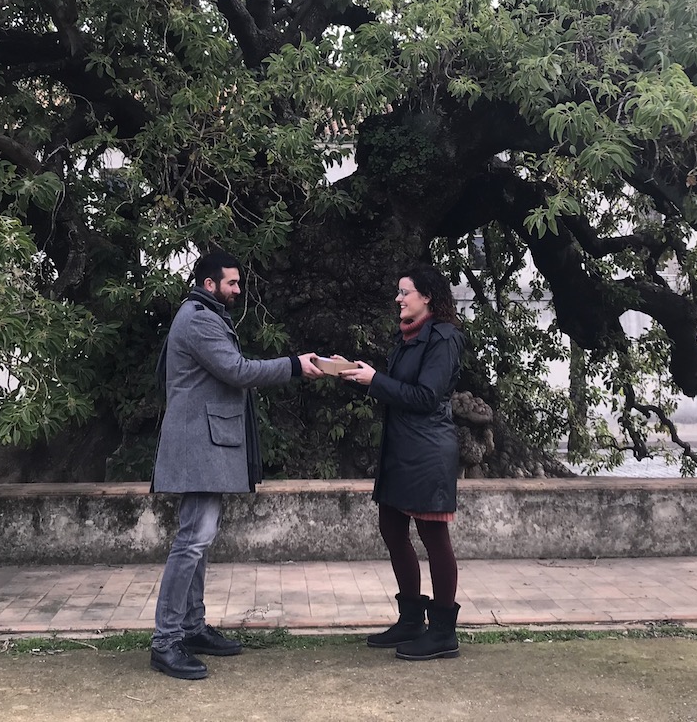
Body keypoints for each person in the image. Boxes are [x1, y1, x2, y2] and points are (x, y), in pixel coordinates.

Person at [149, 249, 324, 681]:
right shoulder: (200, 319)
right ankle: (166, 641)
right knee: (192, 541)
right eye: (232, 283)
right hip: (200, 446)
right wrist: (294, 366)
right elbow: (237, 370)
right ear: (209, 284)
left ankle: (191, 627)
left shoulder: (201, 313)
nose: (238, 290)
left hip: (204, 445)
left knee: (198, 540)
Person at [340, 265, 467, 661]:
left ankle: (443, 631)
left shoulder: (444, 337)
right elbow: (397, 389)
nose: (398, 299)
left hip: (428, 452)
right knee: (392, 528)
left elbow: (426, 396)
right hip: (400, 449)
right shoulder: (407, 336)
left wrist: (375, 380)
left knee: (433, 536)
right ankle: (411, 619)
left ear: (426, 297)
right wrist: (359, 375)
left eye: (405, 292)